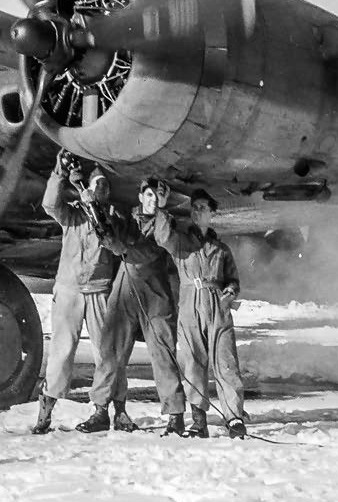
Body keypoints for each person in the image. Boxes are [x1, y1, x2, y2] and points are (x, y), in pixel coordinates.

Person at [91, 178, 187, 435]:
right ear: (140, 197)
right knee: (110, 351)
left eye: (157, 197)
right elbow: (114, 237)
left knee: (163, 355)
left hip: (155, 294)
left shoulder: (165, 222)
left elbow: (161, 244)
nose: (152, 200)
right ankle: (100, 410)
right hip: (125, 291)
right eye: (148, 195)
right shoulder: (127, 220)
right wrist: (104, 227)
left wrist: (118, 245)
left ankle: (175, 415)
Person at [32, 156, 120, 435]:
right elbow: (49, 205)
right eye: (95, 186)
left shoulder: (111, 217)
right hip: (69, 289)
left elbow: (113, 238)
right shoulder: (72, 215)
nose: (99, 191)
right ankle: (46, 410)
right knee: (61, 350)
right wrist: (59, 173)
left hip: (98, 290)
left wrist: (93, 206)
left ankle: (103, 410)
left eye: (102, 187)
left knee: (105, 352)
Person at [148, 188, 247, 438]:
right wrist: (160, 208)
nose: (197, 211)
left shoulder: (221, 249)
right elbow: (162, 237)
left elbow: (233, 280)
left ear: (212, 214)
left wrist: (230, 293)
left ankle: (234, 418)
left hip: (218, 307)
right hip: (190, 304)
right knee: (194, 364)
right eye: (194, 207)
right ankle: (199, 419)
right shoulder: (181, 242)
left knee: (226, 363)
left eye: (203, 207)